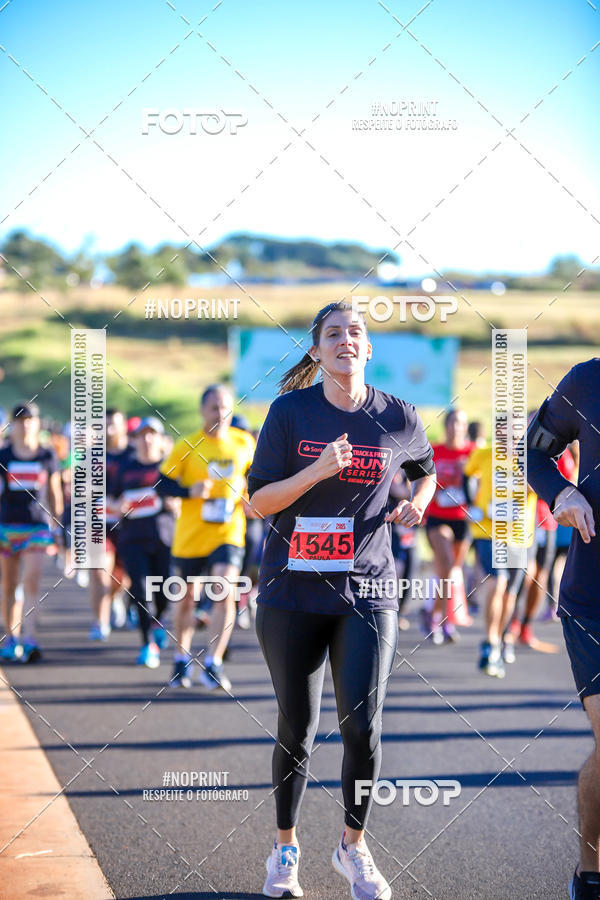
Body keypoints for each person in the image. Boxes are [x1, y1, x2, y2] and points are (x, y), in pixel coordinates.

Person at [247, 301, 436, 900]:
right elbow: (259, 502)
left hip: (369, 590)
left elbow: (426, 469)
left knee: (364, 727)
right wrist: (314, 473)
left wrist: (419, 502)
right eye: (333, 334)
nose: (345, 341)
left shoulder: (397, 416)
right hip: (292, 590)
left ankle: (352, 848)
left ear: (368, 348)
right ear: (316, 351)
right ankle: (285, 849)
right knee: (297, 729)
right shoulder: (289, 412)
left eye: (355, 332)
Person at [526, 360, 600, 900]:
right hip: (593, 594)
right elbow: (532, 451)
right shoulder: (586, 381)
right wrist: (561, 493)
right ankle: (592, 873)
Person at [157, 385, 256, 689]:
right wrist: (189, 491)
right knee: (185, 600)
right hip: (190, 536)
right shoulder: (187, 445)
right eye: (214, 407)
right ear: (202, 411)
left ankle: (213, 662)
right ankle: (180, 658)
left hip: (228, 532)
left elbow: (258, 476)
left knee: (224, 589)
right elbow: (162, 484)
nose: (221, 413)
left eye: (225, 407)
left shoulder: (244, 442)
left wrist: (251, 496)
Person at [463, 436, 537, 677]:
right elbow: (467, 474)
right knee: (498, 582)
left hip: (519, 536)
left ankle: (501, 637)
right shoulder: (485, 454)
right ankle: (491, 641)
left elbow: (540, 488)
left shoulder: (531, 458)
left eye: (517, 434)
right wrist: (470, 502)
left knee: (511, 594)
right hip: (487, 531)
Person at [0, 402, 63, 662]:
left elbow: (54, 492)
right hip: (6, 526)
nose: (25, 424)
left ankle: (30, 637)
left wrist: (59, 526)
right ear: (12, 426)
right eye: (20, 420)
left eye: (30, 420)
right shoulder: (3, 456)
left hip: (37, 526)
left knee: (32, 581)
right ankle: (10, 636)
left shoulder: (46, 455)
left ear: (37, 424)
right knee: (8, 584)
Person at [112, 417, 175, 668]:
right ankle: (147, 644)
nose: (148, 439)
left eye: (153, 434)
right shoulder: (125, 468)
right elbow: (114, 501)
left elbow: (183, 499)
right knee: (140, 590)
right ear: (135, 439)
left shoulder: (169, 468)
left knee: (163, 595)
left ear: (160, 440)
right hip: (133, 539)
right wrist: (120, 507)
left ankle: (157, 620)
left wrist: (176, 505)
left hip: (165, 538)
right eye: (143, 435)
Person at [424, 409, 473, 643]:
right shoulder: (435, 451)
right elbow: (420, 479)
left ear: (465, 427)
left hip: (463, 519)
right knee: (444, 563)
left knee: (451, 572)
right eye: (453, 422)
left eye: (460, 423)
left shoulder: (473, 452)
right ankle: (443, 621)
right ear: (446, 426)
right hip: (437, 517)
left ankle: (433, 612)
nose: (456, 427)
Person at [88, 409, 132, 641]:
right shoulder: (93, 455)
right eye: (104, 425)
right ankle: (100, 622)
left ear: (124, 426)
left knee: (123, 578)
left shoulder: (132, 454)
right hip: (98, 523)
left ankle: (113, 599)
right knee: (100, 572)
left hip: (128, 525)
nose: (109, 430)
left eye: (113, 424)